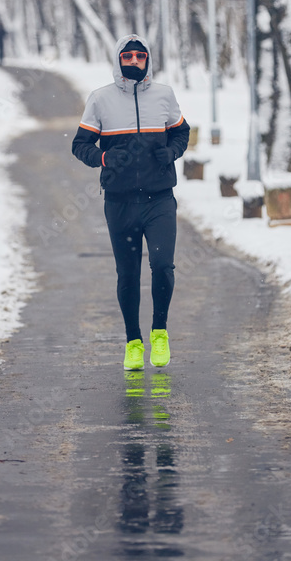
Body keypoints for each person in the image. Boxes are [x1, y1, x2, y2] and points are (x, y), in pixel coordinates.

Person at [72, 35, 190, 371]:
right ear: (119, 60)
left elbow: (182, 132)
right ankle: (133, 341)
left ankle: (159, 332)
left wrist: (172, 152)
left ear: (148, 60)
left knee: (163, 267)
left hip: (159, 199)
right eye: (129, 56)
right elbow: (80, 145)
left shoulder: (164, 95)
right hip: (120, 202)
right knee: (128, 275)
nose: (135, 61)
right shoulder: (100, 100)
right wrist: (103, 157)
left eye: (141, 56)